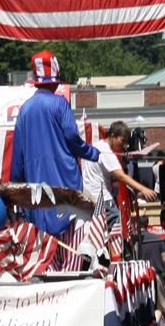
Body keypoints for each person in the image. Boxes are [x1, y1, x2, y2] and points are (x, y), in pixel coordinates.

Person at [10, 51, 99, 236]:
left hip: (35, 190)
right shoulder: (60, 103)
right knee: (69, 249)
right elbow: (72, 137)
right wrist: (92, 153)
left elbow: (17, 158)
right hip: (64, 185)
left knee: (43, 248)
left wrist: (17, 187)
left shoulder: (24, 109)